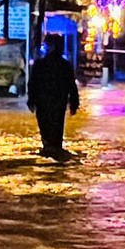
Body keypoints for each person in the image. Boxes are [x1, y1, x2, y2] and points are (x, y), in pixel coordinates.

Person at [27, 32, 80, 160]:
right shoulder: (64, 66)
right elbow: (72, 87)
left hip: (44, 103)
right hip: (58, 103)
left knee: (46, 129)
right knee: (56, 129)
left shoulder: (40, 65)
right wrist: (74, 103)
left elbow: (32, 84)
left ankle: (49, 149)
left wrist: (31, 100)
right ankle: (54, 150)